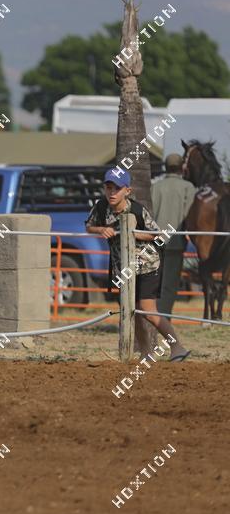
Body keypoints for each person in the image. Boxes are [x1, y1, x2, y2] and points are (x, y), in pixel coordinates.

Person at [86, 168, 190, 361]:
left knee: (148, 311)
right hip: (123, 268)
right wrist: (101, 230)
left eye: (117, 188)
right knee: (132, 311)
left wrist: (132, 233)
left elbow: (156, 234)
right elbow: (89, 226)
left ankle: (177, 347)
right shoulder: (100, 207)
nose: (112, 192)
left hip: (147, 265)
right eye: (108, 188)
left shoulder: (137, 210)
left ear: (128, 191)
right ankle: (146, 352)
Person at [151, 153, 198, 315]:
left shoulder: (156, 187)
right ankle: (163, 319)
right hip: (175, 243)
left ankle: (152, 317)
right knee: (169, 286)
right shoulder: (188, 187)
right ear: (182, 167)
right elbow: (189, 215)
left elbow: (149, 215)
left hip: (155, 242)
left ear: (166, 167)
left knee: (154, 283)